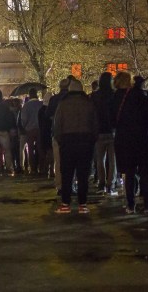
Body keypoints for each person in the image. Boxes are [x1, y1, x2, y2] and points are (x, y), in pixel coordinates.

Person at [113, 72, 148, 214]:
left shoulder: (116, 99)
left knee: (129, 173)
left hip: (124, 139)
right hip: (142, 138)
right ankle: (147, 205)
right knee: (145, 173)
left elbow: (112, 120)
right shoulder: (141, 96)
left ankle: (130, 205)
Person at [52, 77, 98, 214]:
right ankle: (82, 204)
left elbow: (57, 125)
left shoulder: (63, 104)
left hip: (67, 140)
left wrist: (60, 140)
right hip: (85, 141)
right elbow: (95, 124)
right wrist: (92, 140)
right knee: (83, 174)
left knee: (66, 173)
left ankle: (65, 203)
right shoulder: (88, 103)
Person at [91, 72, 117, 195]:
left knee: (100, 159)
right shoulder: (114, 95)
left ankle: (101, 182)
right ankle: (110, 184)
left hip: (99, 131)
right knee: (113, 160)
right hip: (112, 130)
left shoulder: (95, 96)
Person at [47, 77, 72, 193]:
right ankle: (71, 185)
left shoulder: (53, 99)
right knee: (71, 161)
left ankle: (60, 185)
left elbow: (48, 115)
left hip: (56, 132)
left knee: (58, 161)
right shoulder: (72, 99)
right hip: (71, 132)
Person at [18, 89, 44, 175]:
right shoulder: (41, 104)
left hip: (29, 129)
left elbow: (23, 119)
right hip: (40, 129)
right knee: (40, 148)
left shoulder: (26, 106)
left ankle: (33, 168)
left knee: (30, 149)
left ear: (29, 95)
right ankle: (41, 167)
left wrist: (25, 126)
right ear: (36, 94)